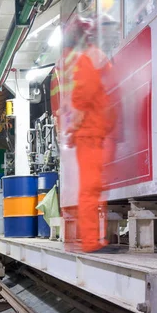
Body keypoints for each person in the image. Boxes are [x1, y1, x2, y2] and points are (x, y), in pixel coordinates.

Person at [66, 18, 114, 253]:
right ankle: (91, 242)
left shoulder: (88, 60)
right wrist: (75, 129)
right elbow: (82, 100)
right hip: (90, 135)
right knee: (90, 189)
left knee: (93, 188)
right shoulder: (87, 61)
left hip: (94, 133)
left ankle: (93, 239)